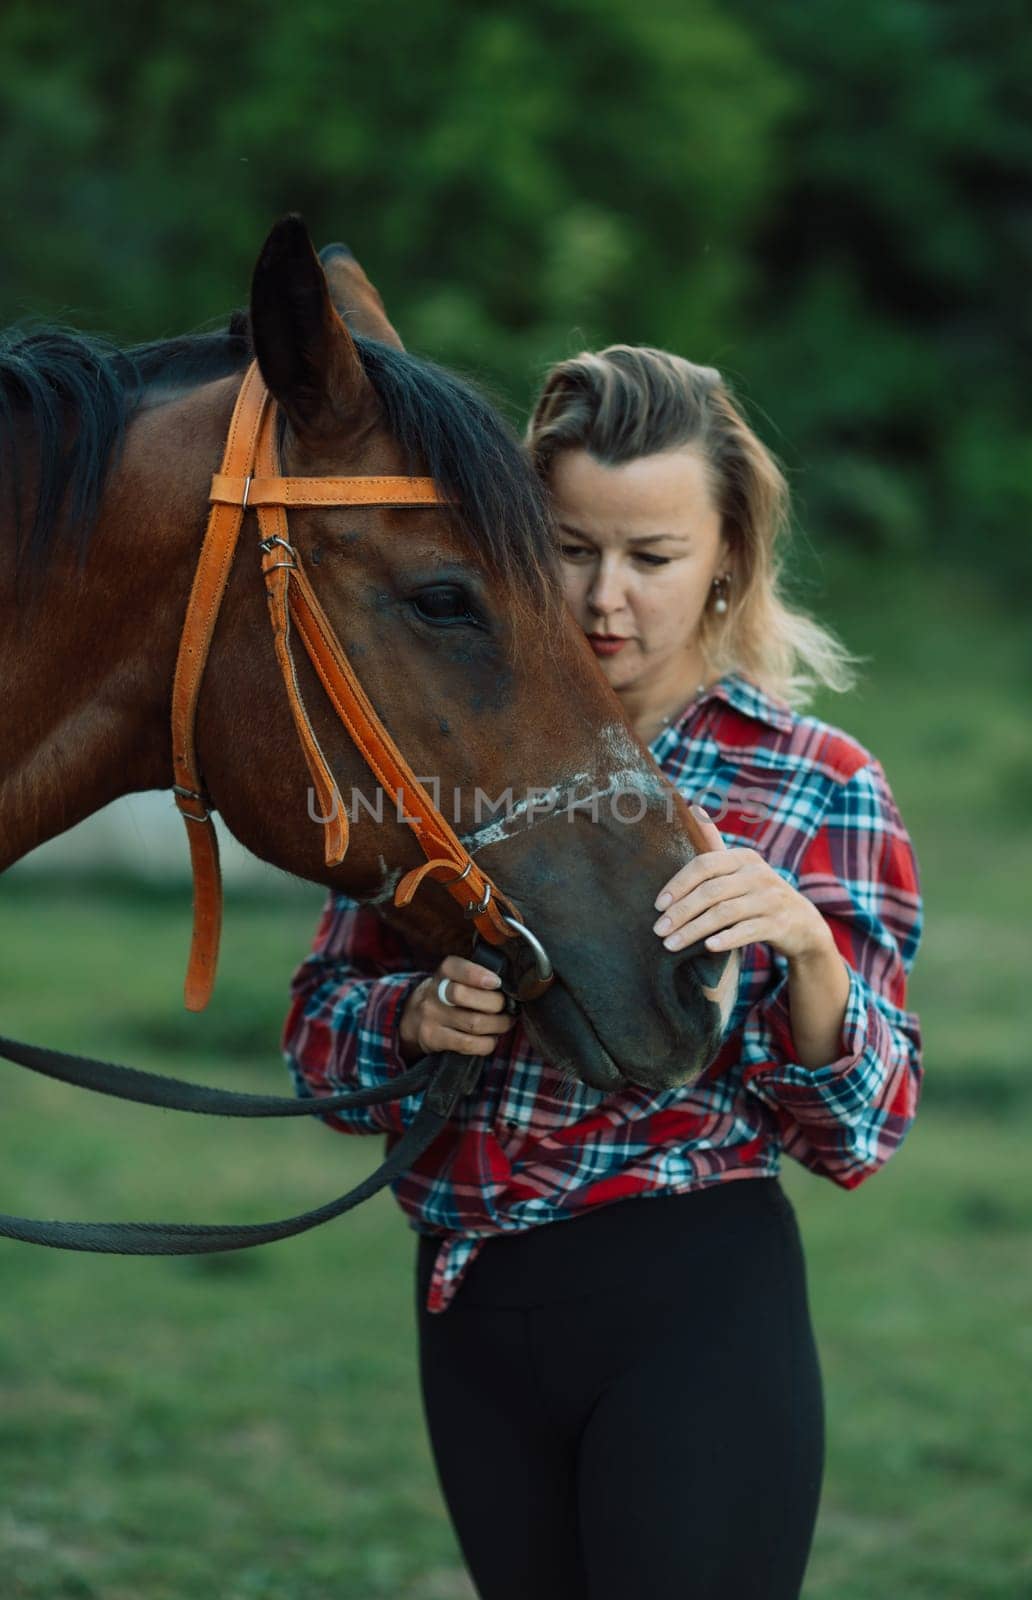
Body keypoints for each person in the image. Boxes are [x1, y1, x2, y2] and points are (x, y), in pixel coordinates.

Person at [282, 346, 924, 1600]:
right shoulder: (438, 750)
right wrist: (412, 1016)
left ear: (727, 558)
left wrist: (803, 952)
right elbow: (315, 1040)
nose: (603, 597)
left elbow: (863, 1134)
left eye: (652, 556)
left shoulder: (815, 782)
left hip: (689, 1301)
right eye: (569, 547)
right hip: (469, 1303)